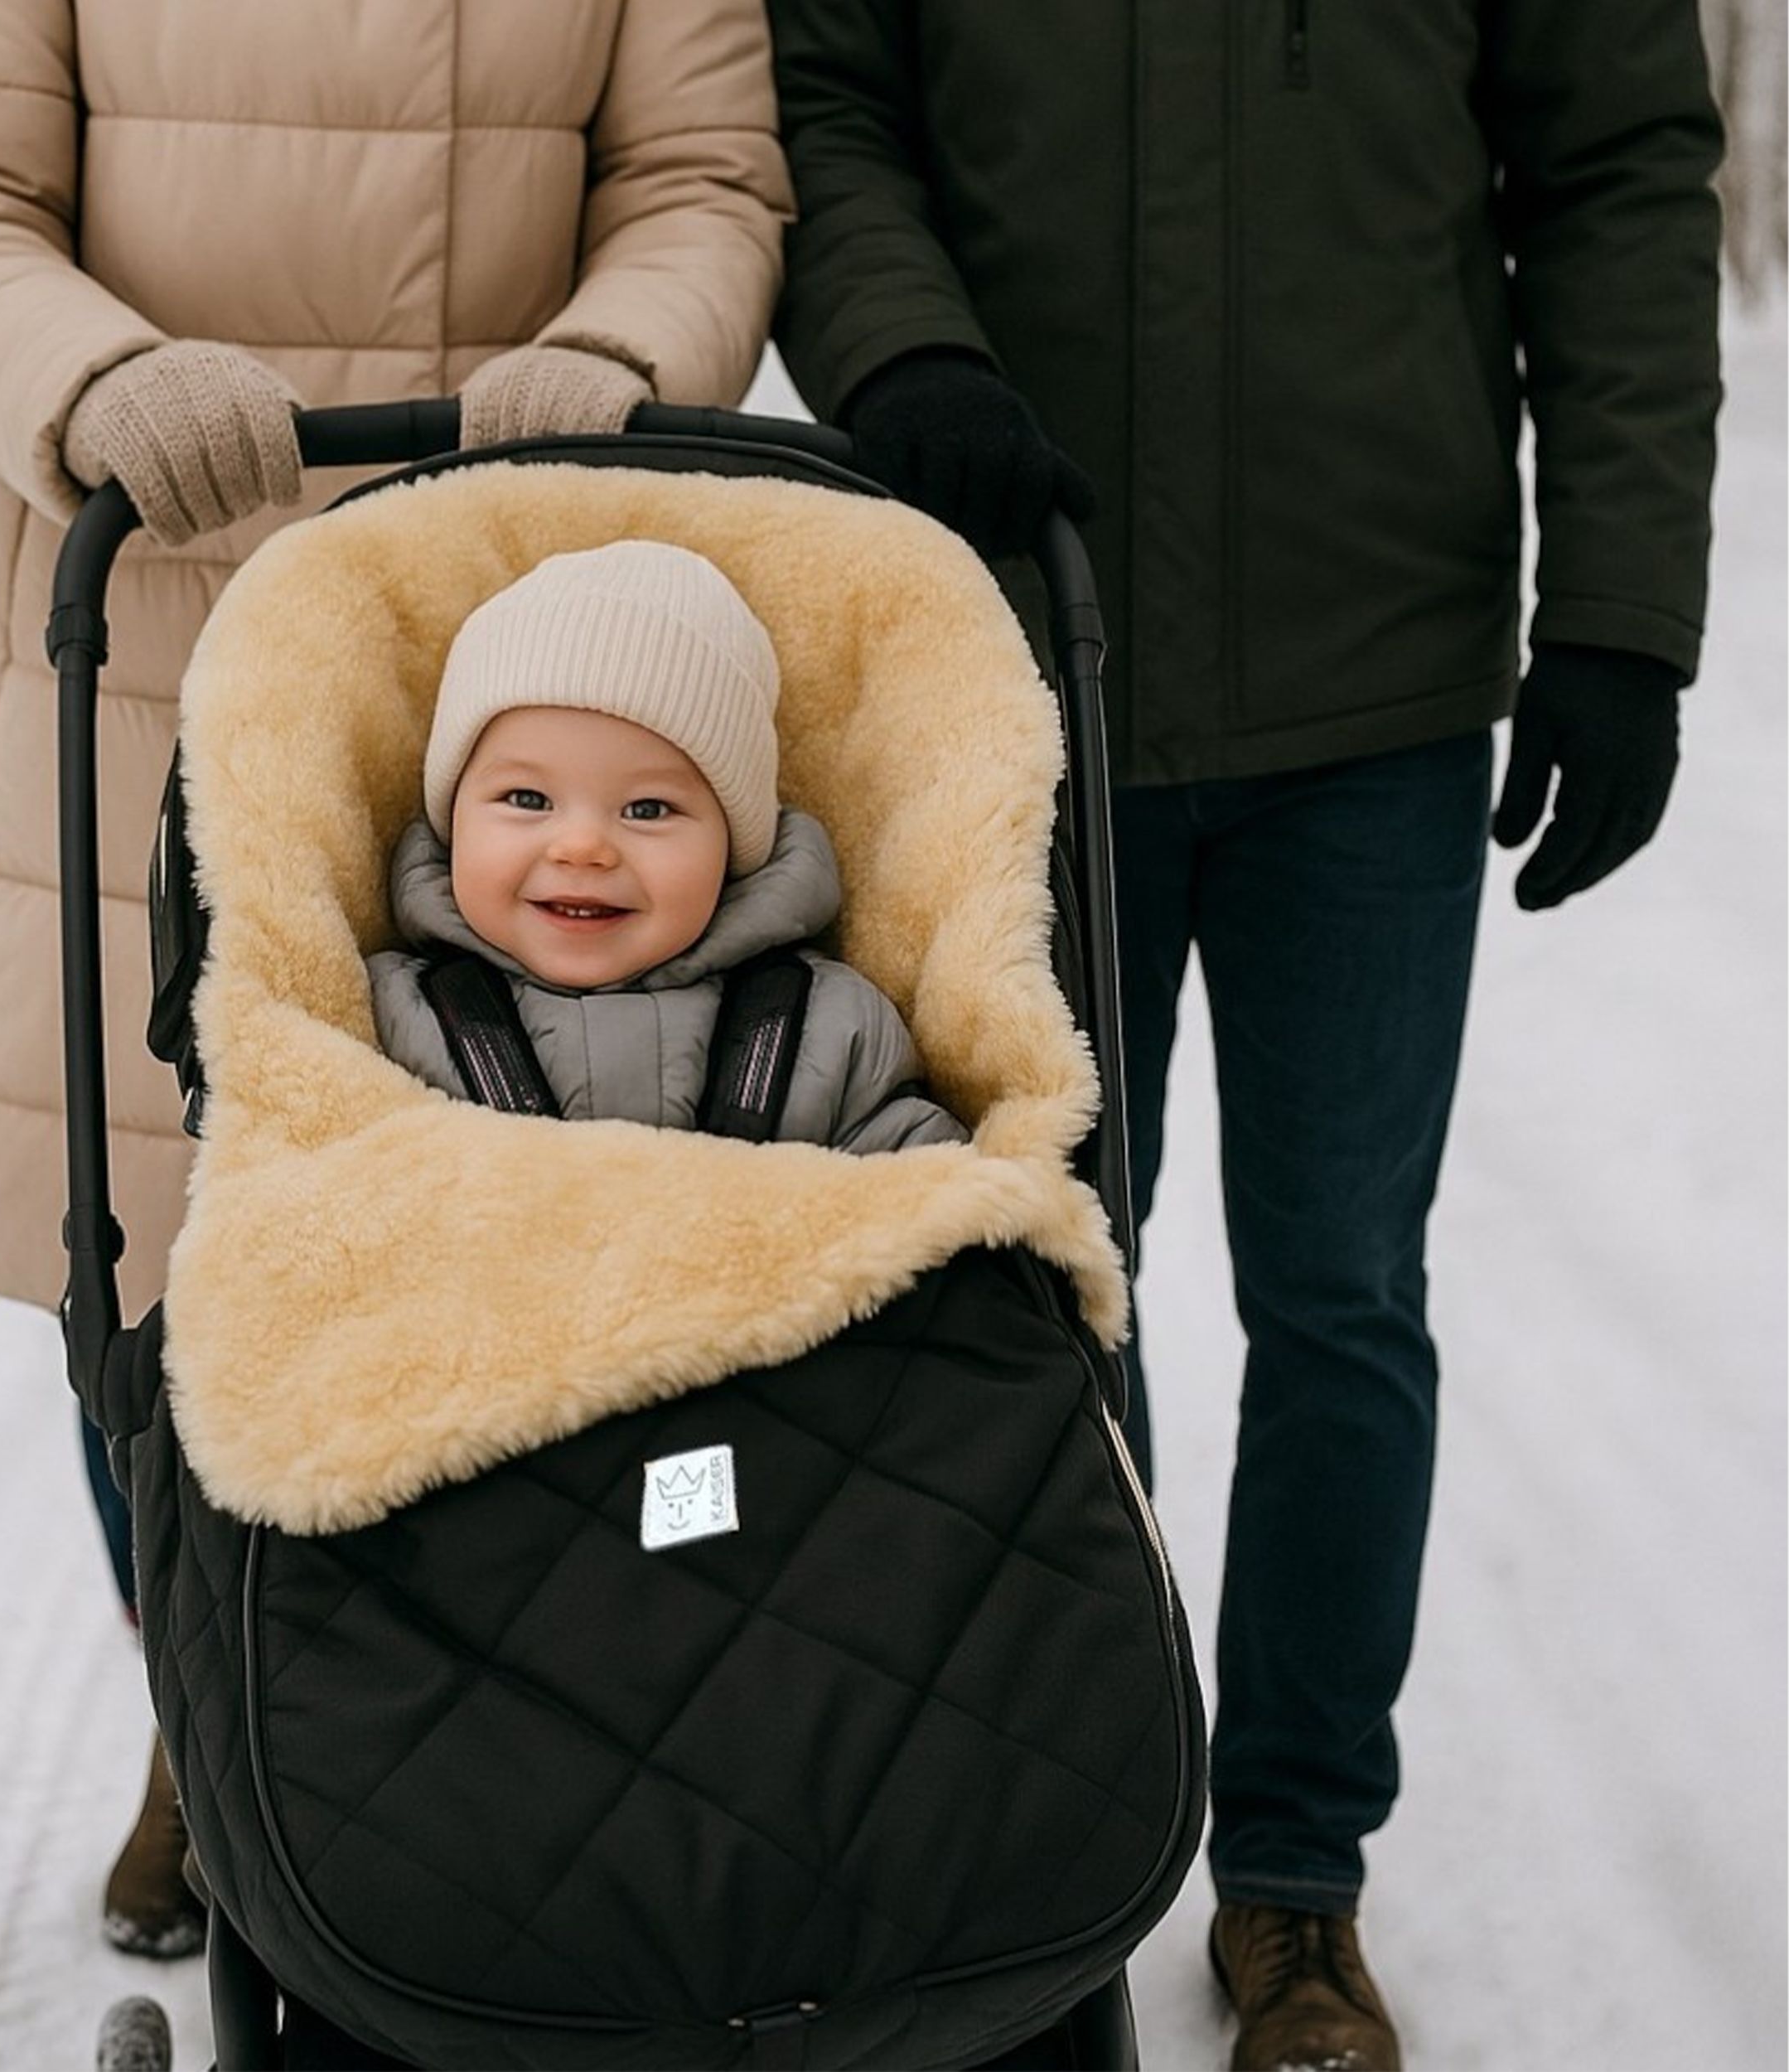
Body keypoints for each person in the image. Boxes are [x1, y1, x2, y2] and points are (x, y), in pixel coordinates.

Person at [762, 2, 1723, 2066]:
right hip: (1018, 648)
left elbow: (1622, 164)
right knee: (1026, 1291)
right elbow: (824, 93)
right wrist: (902, 349)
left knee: (1342, 1292)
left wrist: (1626, 613)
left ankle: (1294, 1883)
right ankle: (1048, 1854)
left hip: (1370, 684)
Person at [0, 0, 791, 1961]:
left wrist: (622, 346)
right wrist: (91, 373)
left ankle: (465, 1737)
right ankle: (214, 1717)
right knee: (146, 1244)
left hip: (510, 643)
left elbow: (700, 179)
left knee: (504, 1229)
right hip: (146, 617)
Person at [367, 540, 968, 1154]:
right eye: (527, 799)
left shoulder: (829, 1028)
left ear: (732, 848)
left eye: (648, 809)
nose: (582, 848)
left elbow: (934, 1199)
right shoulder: (389, 1017)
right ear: (453, 821)